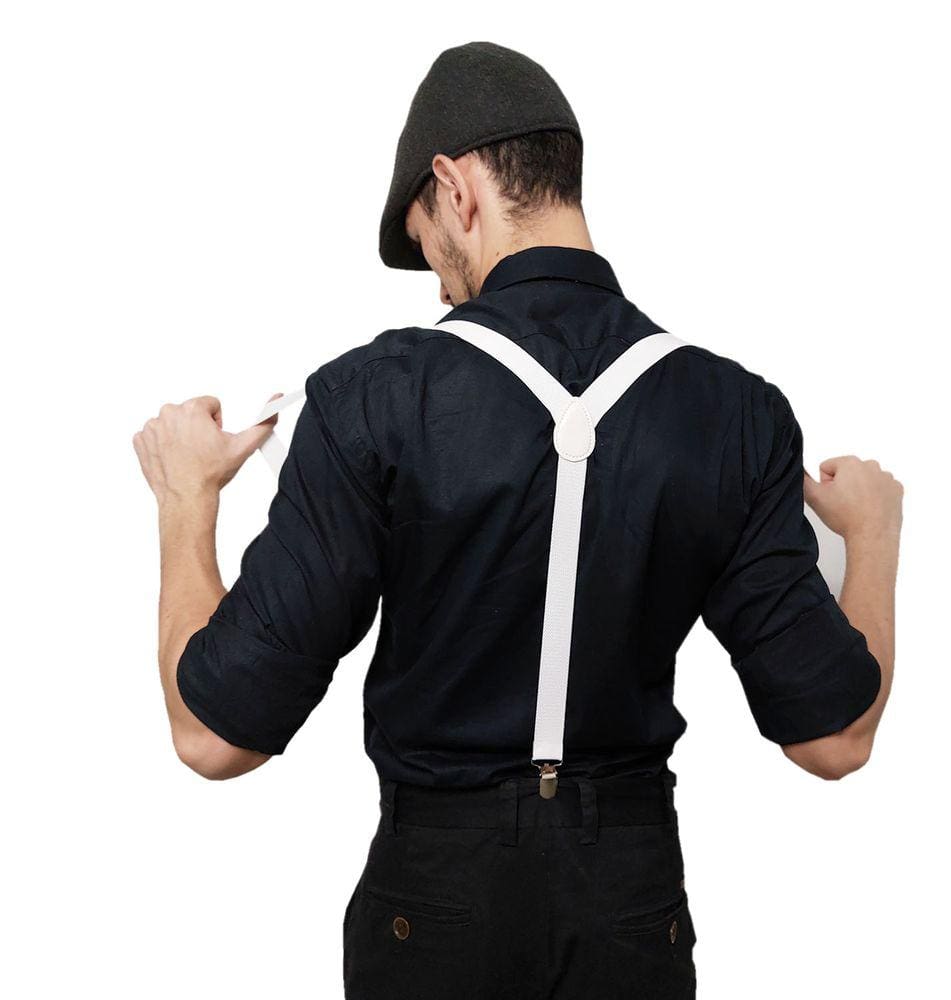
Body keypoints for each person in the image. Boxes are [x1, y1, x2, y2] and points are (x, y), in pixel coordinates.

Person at [133, 41, 902, 1000]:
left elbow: (212, 735)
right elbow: (836, 737)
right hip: (630, 911)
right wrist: (874, 536)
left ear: (457, 190)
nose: (438, 285)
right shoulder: (735, 414)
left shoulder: (374, 399)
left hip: (432, 909)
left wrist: (186, 499)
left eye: (425, 241)